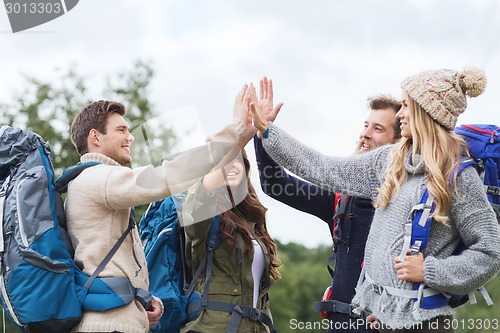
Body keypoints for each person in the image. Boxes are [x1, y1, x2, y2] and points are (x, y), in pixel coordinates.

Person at [250, 68, 500, 332]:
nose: (401, 113)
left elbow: (490, 252)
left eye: (406, 105)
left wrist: (430, 270)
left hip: (427, 325)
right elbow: (322, 168)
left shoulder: (459, 176)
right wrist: (267, 132)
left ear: (428, 112)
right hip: (381, 322)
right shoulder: (389, 162)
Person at [66, 85, 252, 333]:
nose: (129, 137)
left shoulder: (90, 183)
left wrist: (140, 301)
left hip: (114, 319)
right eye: (121, 130)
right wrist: (235, 129)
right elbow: (168, 175)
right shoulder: (99, 179)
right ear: (95, 137)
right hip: (108, 325)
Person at [253, 76, 401, 332]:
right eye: (366, 125)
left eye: (377, 129)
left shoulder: (408, 201)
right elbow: (276, 184)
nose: (364, 134)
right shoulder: (341, 199)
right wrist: (261, 135)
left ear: (397, 145)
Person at [180, 147, 281, 333]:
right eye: (221, 162)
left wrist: (266, 322)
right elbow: (201, 199)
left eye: (236, 159)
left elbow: (258, 288)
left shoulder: (253, 219)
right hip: (210, 327)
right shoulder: (203, 215)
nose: (230, 165)